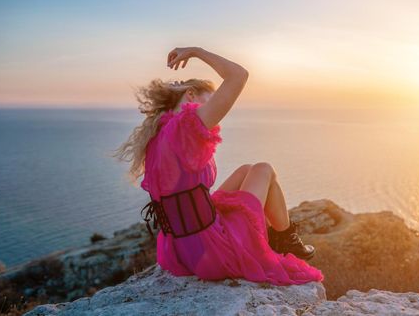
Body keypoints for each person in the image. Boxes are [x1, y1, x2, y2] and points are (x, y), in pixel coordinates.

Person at [112, 46, 324, 285]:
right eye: (210, 99)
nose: (215, 107)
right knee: (264, 169)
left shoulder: (159, 133)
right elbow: (238, 75)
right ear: (191, 95)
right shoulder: (186, 125)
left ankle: (281, 237)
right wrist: (196, 51)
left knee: (246, 170)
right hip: (213, 253)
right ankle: (285, 240)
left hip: (180, 252)